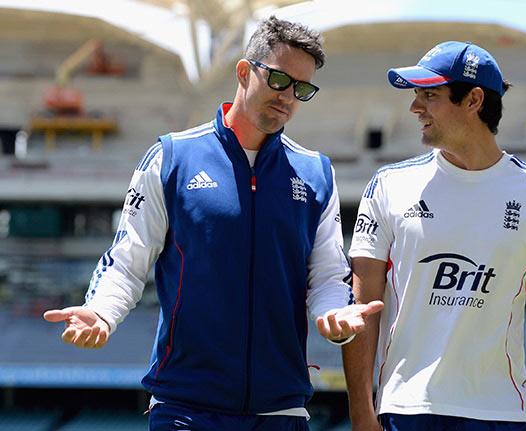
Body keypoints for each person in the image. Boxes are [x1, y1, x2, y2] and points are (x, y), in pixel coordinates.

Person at [43, 16, 382, 431]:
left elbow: (328, 275)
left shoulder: (315, 174)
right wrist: (101, 312)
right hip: (185, 406)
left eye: (302, 88)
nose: (288, 97)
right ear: (244, 72)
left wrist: (334, 313)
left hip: (280, 409)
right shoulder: (172, 158)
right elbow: (128, 259)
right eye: (278, 80)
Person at [343, 41, 526, 431]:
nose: (414, 108)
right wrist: (361, 412)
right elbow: (362, 304)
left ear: (474, 100)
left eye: (430, 95)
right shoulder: (388, 186)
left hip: (502, 414)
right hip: (407, 411)